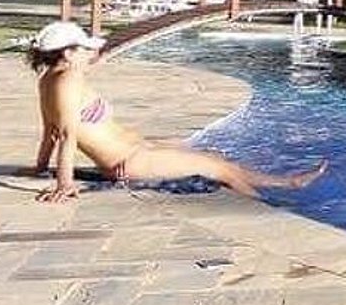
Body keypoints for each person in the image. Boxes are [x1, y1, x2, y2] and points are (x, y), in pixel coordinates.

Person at [27, 21, 327, 202]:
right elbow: (65, 135)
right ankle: (273, 206)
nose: (90, 54)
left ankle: (286, 183)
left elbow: (49, 130)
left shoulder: (50, 79)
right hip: (128, 161)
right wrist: (64, 184)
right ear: (67, 53)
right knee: (221, 170)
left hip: (136, 151)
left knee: (215, 158)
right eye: (83, 49)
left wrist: (41, 166)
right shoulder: (68, 80)